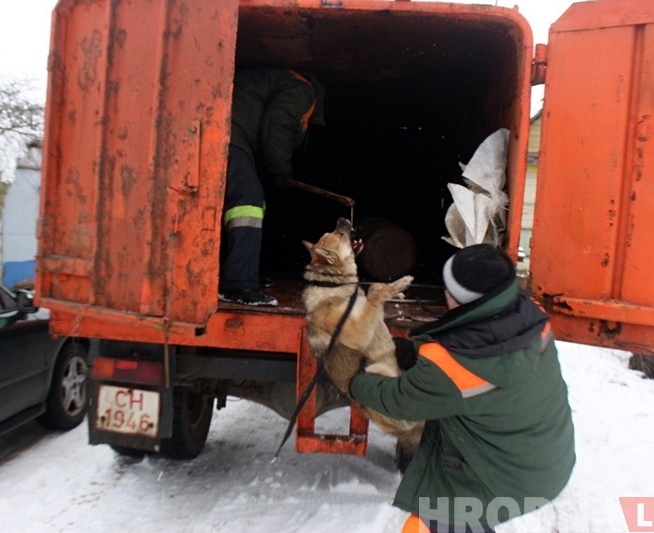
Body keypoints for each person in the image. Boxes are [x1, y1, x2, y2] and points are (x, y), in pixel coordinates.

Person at [346, 244, 576, 533]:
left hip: (508, 482)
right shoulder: (530, 314)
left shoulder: (455, 366)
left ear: (453, 299)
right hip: (546, 459)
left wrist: (355, 380)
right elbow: (482, 354)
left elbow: (398, 400)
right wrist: (418, 354)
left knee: (422, 527)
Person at [219, 67, 326, 306]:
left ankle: (243, 273)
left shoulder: (282, 82)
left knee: (241, 203)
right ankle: (238, 284)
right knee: (248, 202)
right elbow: (277, 122)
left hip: (226, 131)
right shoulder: (303, 90)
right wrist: (280, 170)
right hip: (227, 133)